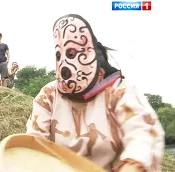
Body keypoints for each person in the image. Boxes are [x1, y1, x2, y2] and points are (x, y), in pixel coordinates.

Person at [25, 14, 165, 172]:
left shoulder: (119, 92)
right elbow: (35, 143)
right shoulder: (48, 96)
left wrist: (133, 165)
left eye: (71, 54)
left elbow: (143, 133)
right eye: (59, 55)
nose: (65, 63)